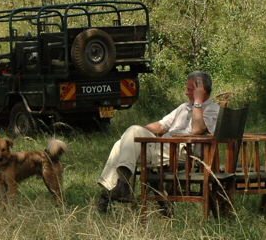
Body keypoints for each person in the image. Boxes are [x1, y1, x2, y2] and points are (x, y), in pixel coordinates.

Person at [94, 70, 220, 212]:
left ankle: (111, 193)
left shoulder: (213, 109)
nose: (186, 93)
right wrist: (132, 133)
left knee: (128, 138)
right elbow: (161, 125)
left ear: (202, 90)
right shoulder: (183, 108)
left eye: (190, 89)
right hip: (163, 149)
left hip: (180, 152)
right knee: (122, 142)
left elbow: (197, 129)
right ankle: (118, 188)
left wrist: (198, 102)